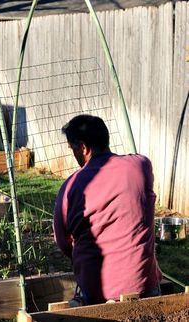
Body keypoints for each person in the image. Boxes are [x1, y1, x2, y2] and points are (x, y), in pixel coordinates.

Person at [53, 114, 162, 305]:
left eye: (73, 149)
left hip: (98, 291)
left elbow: (64, 242)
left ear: (84, 148)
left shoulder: (71, 186)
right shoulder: (141, 166)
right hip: (145, 286)